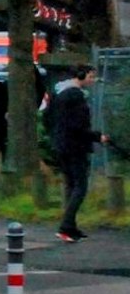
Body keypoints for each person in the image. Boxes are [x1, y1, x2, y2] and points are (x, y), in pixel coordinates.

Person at [49, 65, 112, 243]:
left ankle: (71, 227)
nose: (92, 81)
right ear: (81, 75)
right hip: (75, 147)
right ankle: (66, 226)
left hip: (61, 145)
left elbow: (49, 117)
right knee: (81, 186)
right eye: (91, 77)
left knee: (70, 184)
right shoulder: (76, 96)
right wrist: (97, 136)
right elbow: (78, 126)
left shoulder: (59, 93)